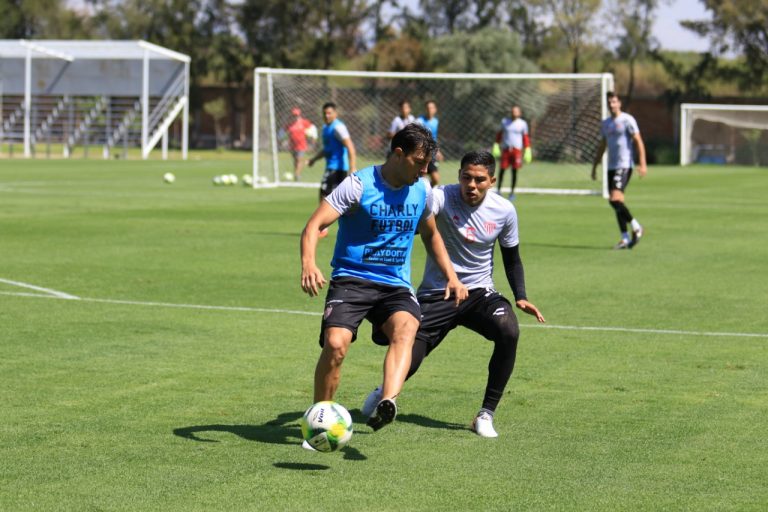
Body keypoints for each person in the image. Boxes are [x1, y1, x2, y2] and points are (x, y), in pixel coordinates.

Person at [300, 124, 468, 440]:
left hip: (395, 285)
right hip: (352, 279)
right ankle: (320, 415)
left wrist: (452, 277)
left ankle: (387, 400)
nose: (425, 169)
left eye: (428, 163)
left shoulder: (422, 191)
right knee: (336, 346)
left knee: (406, 328)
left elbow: (431, 236)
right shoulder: (358, 185)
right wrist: (309, 263)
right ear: (398, 153)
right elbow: (313, 226)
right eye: (420, 162)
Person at [363, 150, 545, 438]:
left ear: (492, 180)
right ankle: (385, 392)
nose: (471, 185)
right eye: (466, 178)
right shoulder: (441, 197)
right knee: (412, 357)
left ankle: (485, 414)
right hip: (439, 292)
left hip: (480, 293)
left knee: (508, 330)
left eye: (480, 180)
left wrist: (519, 294)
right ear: (458, 176)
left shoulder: (504, 211)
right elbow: (414, 216)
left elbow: (512, 258)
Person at [591, 92, 647, 249]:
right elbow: (602, 146)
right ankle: (624, 237)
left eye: (614, 101)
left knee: (614, 200)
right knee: (618, 203)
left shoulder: (628, 120)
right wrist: (595, 166)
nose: (612, 105)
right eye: (609, 102)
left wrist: (642, 164)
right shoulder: (606, 123)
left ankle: (636, 226)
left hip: (624, 165)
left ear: (619, 103)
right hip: (611, 166)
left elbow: (638, 141)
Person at [308, 102, 357, 201]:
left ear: (336, 113)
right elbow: (327, 150)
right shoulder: (326, 128)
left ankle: (324, 217)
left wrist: (353, 168)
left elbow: (350, 147)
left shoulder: (338, 128)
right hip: (331, 168)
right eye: (324, 113)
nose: (326, 116)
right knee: (335, 200)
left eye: (329, 113)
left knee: (325, 197)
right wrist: (314, 159)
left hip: (338, 169)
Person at [495, 105, 531, 200]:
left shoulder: (522, 124)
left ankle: (512, 193)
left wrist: (527, 149)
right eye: (513, 111)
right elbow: (499, 134)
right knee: (502, 170)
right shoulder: (505, 122)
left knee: (514, 171)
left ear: (519, 113)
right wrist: (496, 144)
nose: (514, 112)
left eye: (516, 111)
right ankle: (498, 190)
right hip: (506, 149)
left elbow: (525, 137)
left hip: (516, 150)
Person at [416, 100, 443, 187]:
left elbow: (434, 137)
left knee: (436, 179)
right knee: (421, 178)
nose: (429, 110)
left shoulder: (436, 121)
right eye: (428, 108)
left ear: (435, 109)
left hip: (431, 153)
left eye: (431, 108)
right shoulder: (419, 120)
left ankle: (427, 192)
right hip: (422, 152)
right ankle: (421, 194)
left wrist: (437, 151)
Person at [285, 107, 314, 181]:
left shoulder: (304, 122)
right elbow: (285, 133)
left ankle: (297, 175)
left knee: (299, 160)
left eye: (296, 115)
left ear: (299, 115)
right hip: (292, 146)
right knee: (295, 161)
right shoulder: (289, 124)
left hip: (302, 145)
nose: (295, 116)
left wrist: (312, 140)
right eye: (294, 115)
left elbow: (312, 130)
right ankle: (297, 173)